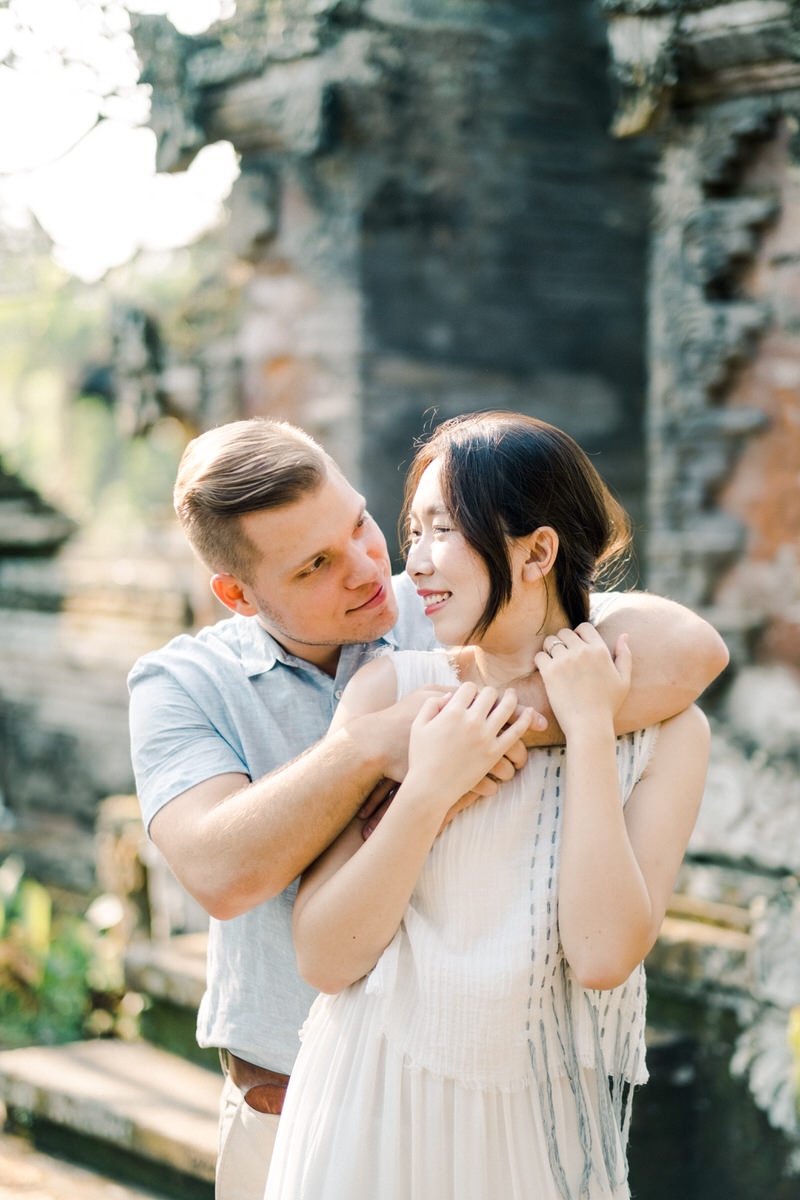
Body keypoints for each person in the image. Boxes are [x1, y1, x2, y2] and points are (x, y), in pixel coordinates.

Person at [127, 416, 727, 1200]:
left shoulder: (445, 600)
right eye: (315, 566)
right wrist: (382, 747)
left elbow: (691, 650)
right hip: (305, 1099)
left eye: (363, 525)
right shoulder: (185, 683)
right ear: (239, 594)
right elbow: (218, 868)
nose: (375, 568)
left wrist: (503, 715)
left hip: (524, 1111)